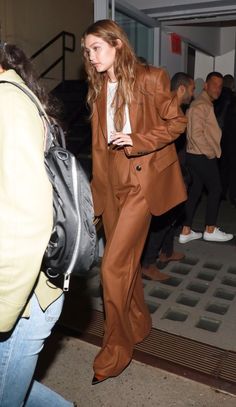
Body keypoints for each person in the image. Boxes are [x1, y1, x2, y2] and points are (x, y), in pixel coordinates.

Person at [81, 19, 187, 384]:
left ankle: (116, 351)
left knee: (111, 268)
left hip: (140, 182)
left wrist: (137, 138)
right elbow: (97, 148)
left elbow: (176, 123)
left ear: (117, 45)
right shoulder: (97, 87)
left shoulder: (150, 78)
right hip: (110, 182)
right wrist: (94, 195)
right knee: (123, 264)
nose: (89, 56)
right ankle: (139, 323)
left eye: (95, 48)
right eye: (87, 50)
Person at [0, 44, 75, 406]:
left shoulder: (8, 103)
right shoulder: (17, 99)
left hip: (24, 298)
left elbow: (26, 222)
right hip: (28, 289)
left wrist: (2, 311)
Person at [141, 72, 195, 280]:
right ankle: (148, 263)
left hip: (176, 170)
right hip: (166, 172)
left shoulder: (176, 108)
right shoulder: (167, 109)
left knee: (174, 214)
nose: (193, 93)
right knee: (166, 216)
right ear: (181, 89)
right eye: (191, 89)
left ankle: (166, 252)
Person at [179, 71, 233, 243]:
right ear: (206, 86)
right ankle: (210, 229)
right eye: (214, 85)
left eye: (220, 86)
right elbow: (196, 135)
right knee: (216, 189)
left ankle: (185, 230)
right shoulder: (201, 105)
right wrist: (210, 154)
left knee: (195, 192)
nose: (217, 89)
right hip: (201, 156)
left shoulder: (203, 103)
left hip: (195, 156)